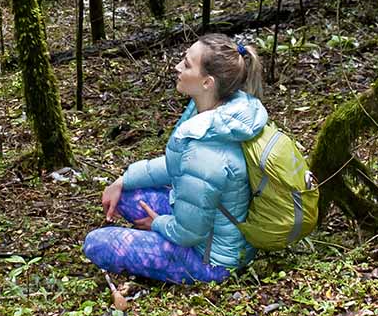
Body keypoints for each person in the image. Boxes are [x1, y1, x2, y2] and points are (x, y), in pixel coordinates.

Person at [82, 33, 267, 284]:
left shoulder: (205, 152)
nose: (178, 67)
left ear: (207, 82)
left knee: (96, 244)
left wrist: (158, 224)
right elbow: (177, 166)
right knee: (125, 194)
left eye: (187, 65)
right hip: (211, 227)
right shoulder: (222, 113)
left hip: (211, 260)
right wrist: (123, 180)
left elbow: (189, 233)